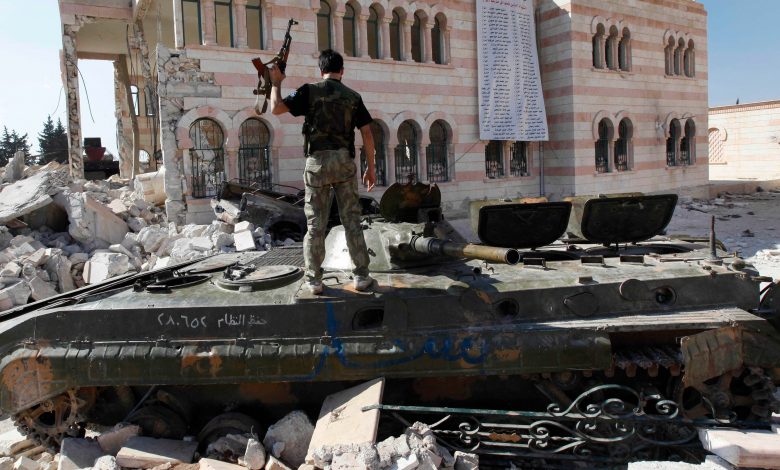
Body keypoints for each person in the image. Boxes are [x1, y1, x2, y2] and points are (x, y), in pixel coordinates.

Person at [269, 49, 376, 295]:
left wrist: (276, 83)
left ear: (321, 70)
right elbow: (368, 134)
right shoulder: (353, 97)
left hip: (316, 164)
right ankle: (361, 277)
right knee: (352, 221)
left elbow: (276, 108)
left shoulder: (309, 91)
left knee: (316, 224)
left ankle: (314, 280)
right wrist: (370, 168)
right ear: (342, 71)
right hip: (343, 163)